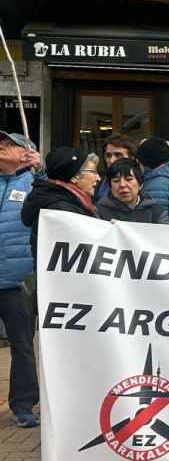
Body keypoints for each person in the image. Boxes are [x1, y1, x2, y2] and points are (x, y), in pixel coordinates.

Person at [0, 132, 41, 428]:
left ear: (27, 153)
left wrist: (43, 171)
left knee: (23, 346)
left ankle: (24, 405)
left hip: (18, 281)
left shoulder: (35, 184)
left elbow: (61, 194)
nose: (1, 146)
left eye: (9, 143)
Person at [22, 148, 101, 257]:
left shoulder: (63, 201)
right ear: (75, 177)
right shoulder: (61, 210)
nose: (98, 178)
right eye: (93, 172)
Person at [96, 158, 169, 224]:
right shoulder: (100, 210)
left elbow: (165, 236)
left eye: (129, 179)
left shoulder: (156, 211)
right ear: (110, 186)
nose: (122, 185)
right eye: (116, 181)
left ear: (141, 184)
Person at [96, 134, 136, 200]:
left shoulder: (142, 184)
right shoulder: (98, 182)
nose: (111, 160)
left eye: (118, 155)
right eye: (108, 155)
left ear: (131, 158)